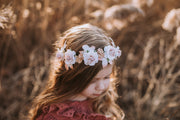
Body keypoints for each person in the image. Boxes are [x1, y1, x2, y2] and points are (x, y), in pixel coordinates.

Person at [29, 24, 124, 120]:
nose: (101, 87)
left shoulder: (99, 102)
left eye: (106, 77)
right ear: (73, 75)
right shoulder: (55, 114)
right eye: (93, 80)